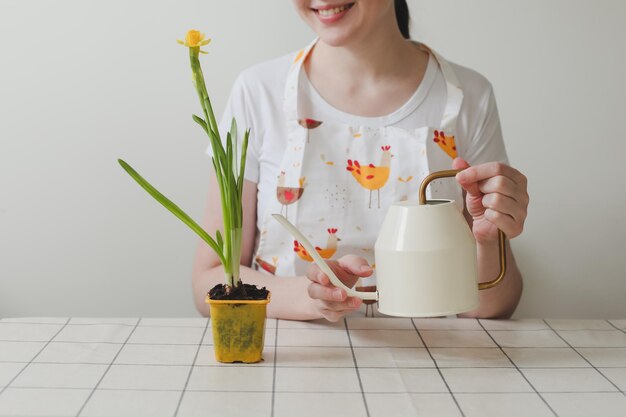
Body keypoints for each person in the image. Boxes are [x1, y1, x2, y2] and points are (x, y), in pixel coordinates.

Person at [192, 0, 528, 321]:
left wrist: (487, 242)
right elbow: (209, 280)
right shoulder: (258, 91)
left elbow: (491, 309)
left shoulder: (469, 96)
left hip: (427, 359)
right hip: (287, 361)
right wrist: (311, 297)